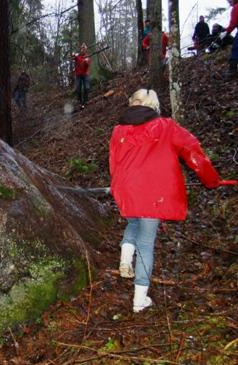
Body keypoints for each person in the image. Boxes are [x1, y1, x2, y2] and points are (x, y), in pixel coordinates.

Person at [109, 89, 232, 313]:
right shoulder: (166, 126)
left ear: (132, 103)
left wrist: (119, 188)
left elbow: (114, 162)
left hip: (127, 188)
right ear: (153, 105)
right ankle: (139, 301)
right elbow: (193, 152)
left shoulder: (119, 130)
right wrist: (211, 180)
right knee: (146, 243)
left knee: (133, 223)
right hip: (153, 193)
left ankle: (125, 260)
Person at [222, 0, 238, 77]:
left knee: (235, 48)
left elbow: (233, 23)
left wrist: (226, 32)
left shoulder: (236, 7)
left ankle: (232, 71)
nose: (229, 2)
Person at [73, 43, 90, 110]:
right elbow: (74, 57)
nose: (82, 50)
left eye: (84, 49)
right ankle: (80, 102)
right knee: (78, 88)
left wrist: (86, 62)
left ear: (86, 50)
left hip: (85, 75)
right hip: (78, 75)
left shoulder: (88, 57)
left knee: (86, 88)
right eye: (81, 49)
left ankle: (85, 101)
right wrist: (74, 54)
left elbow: (87, 66)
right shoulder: (78, 56)